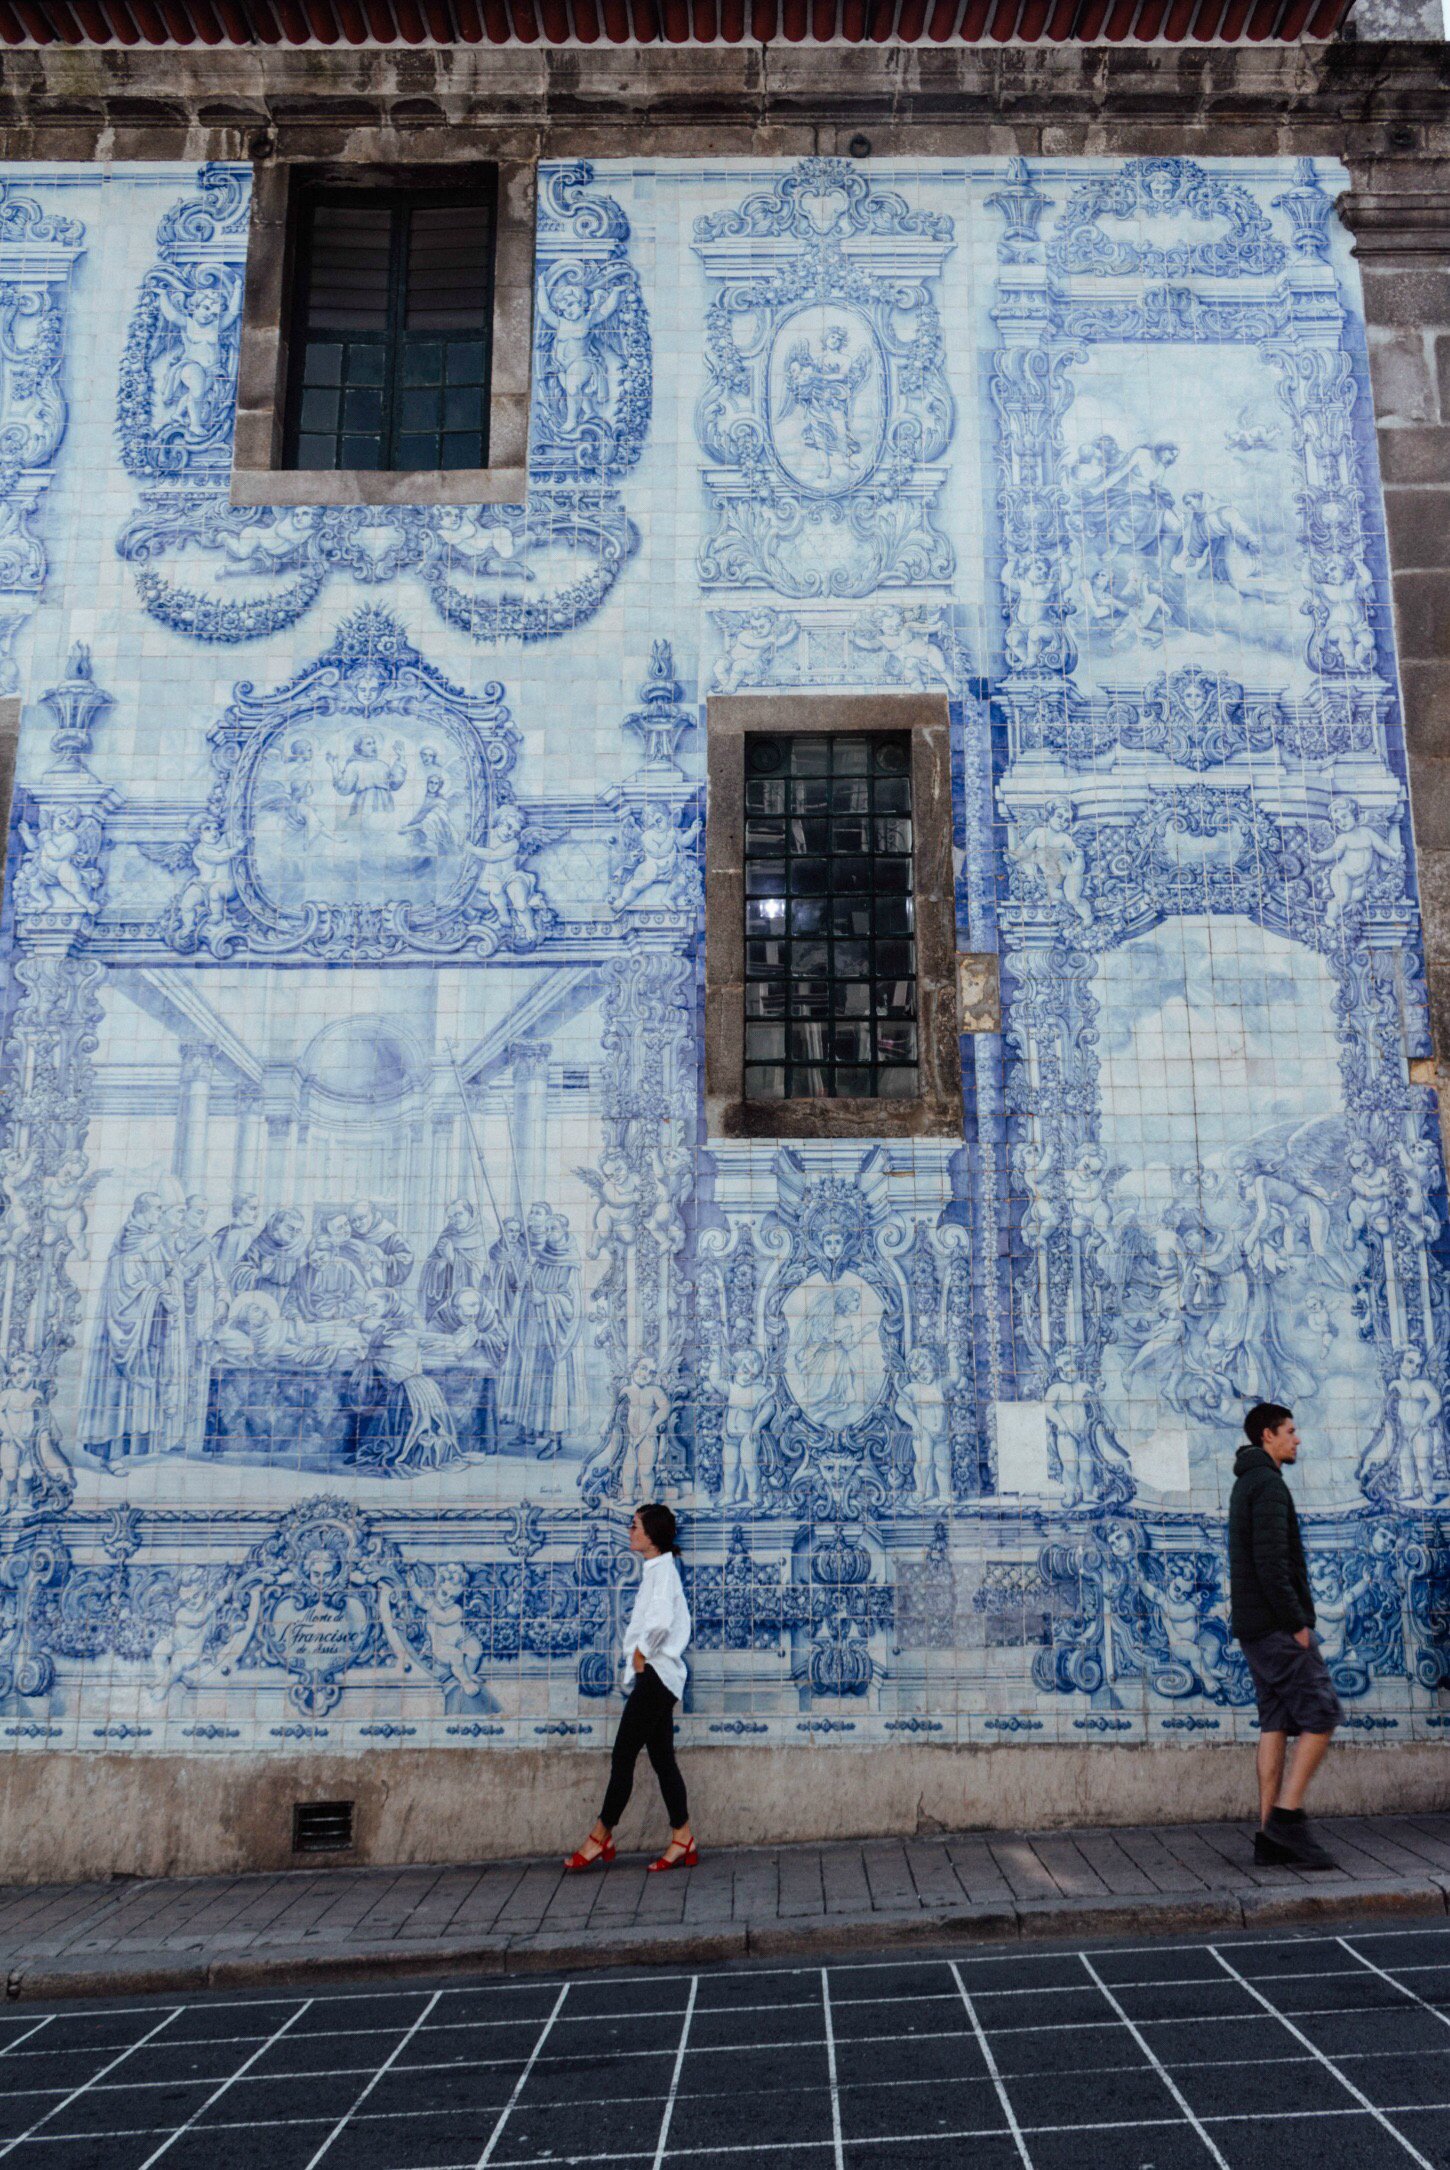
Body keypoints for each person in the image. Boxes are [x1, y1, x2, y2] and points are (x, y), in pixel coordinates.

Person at [1228, 1403, 1343, 1870]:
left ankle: (1267, 1838)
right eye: (1290, 1432)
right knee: (1323, 1712)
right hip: (1276, 1629)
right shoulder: (1269, 1487)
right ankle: (1287, 1817)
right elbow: (1272, 1566)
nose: (1297, 1440)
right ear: (1267, 1436)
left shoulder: (1245, 1483)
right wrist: (1298, 1625)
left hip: (1253, 1629)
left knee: (1274, 1723)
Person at [565, 1503, 697, 1875]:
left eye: (635, 1525)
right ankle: (682, 1837)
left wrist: (641, 1654)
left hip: (656, 1674)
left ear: (652, 1534)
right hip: (657, 1676)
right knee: (661, 1759)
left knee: (623, 1754)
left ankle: (600, 1836)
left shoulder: (663, 1572)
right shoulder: (657, 1569)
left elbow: (661, 1622)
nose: (630, 1530)